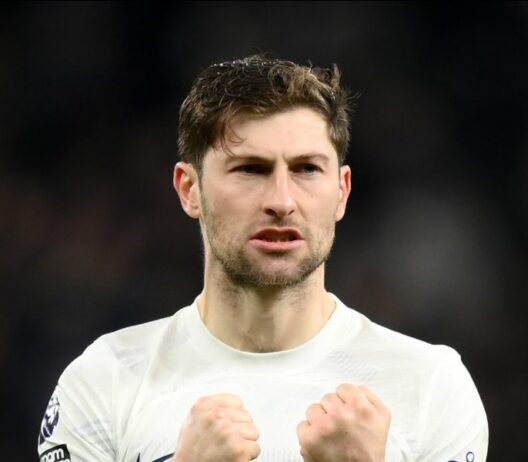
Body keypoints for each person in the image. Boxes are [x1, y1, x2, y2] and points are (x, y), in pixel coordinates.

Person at [37, 55, 488, 462]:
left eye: (307, 169)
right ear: (190, 189)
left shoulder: (430, 387)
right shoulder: (105, 382)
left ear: (341, 192)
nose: (281, 201)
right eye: (250, 169)